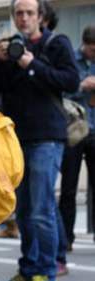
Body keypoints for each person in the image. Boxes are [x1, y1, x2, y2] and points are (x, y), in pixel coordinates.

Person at [0, 0, 79, 281]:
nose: (23, 18)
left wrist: (31, 64)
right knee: (23, 209)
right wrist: (0, 62)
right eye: (19, 13)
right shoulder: (10, 48)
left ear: (41, 16)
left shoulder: (56, 44)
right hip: (17, 138)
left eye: (29, 13)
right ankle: (27, 269)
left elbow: (71, 81)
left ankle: (47, 273)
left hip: (47, 137)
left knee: (41, 208)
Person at [59, 25, 95, 253]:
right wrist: (82, 85)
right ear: (84, 45)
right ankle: (67, 238)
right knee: (69, 187)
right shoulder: (70, 58)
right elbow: (60, 90)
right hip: (73, 130)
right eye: (93, 49)